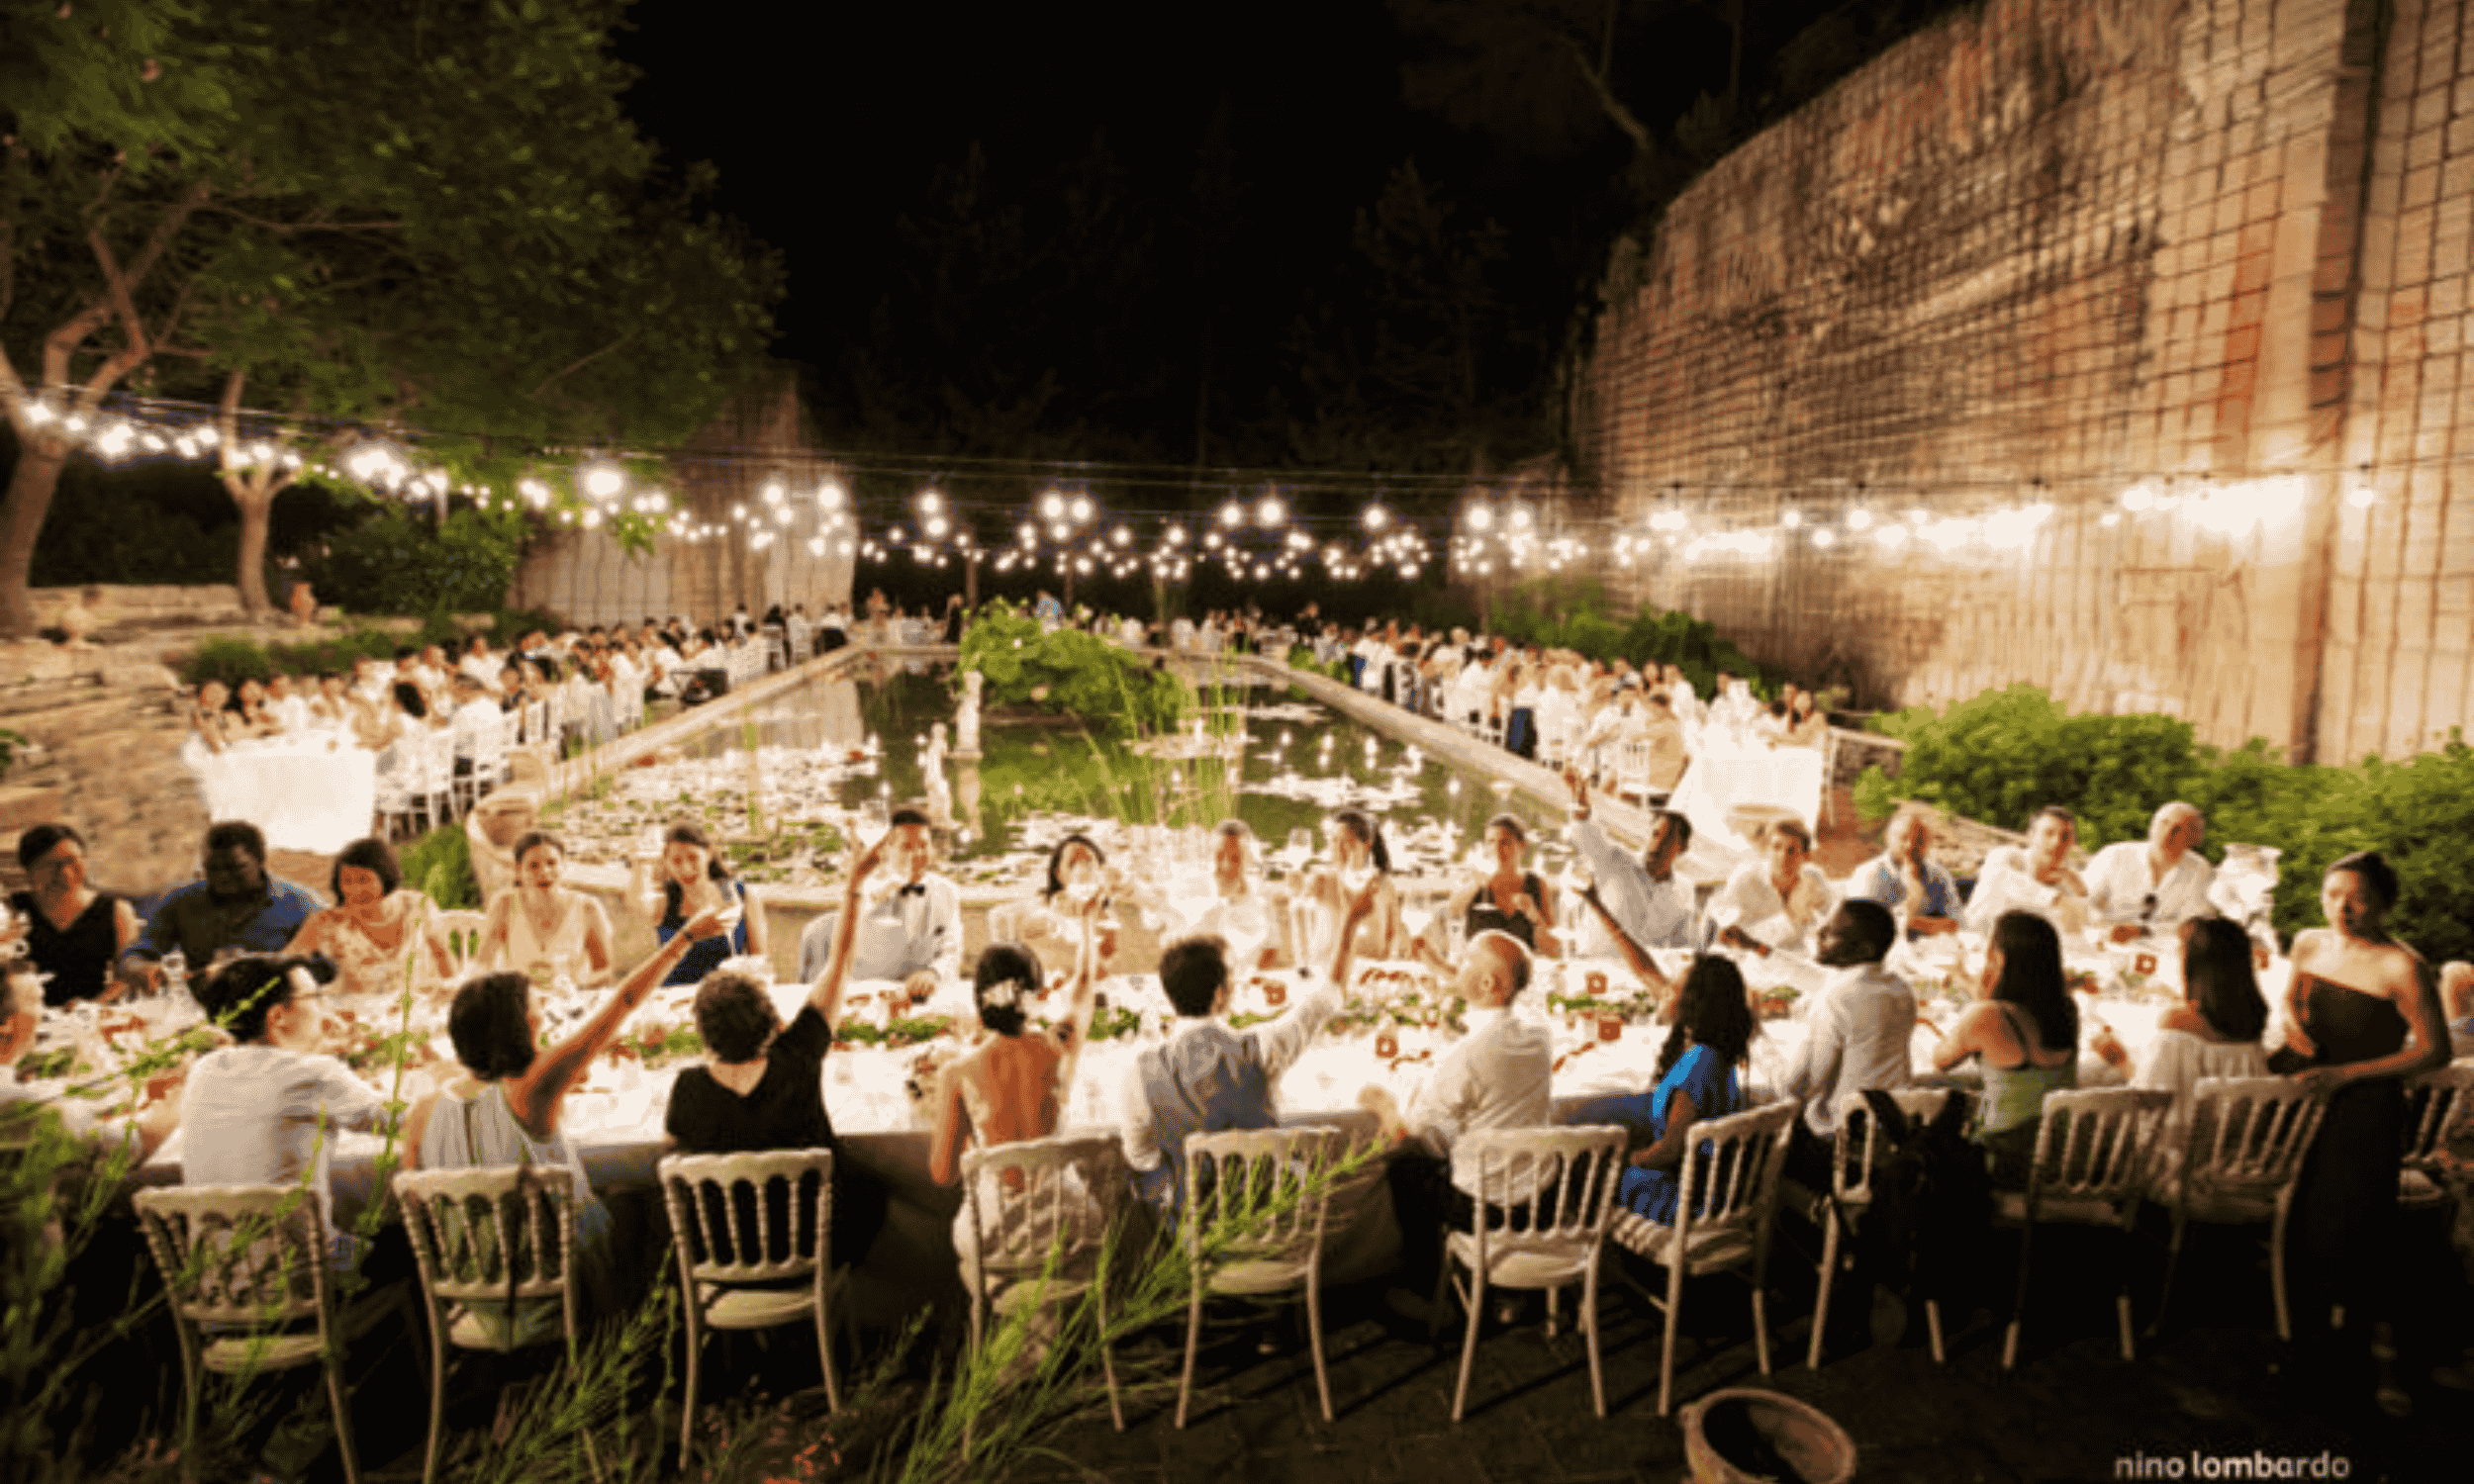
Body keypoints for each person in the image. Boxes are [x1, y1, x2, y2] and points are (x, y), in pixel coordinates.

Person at [406, 904, 728, 1341]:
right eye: (537, 1005)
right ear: (523, 1024)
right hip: (550, 1284)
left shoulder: (422, 1111)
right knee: (650, 1201)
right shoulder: (531, 1091)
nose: (544, 1010)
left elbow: (415, 1204)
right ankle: (643, 1341)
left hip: (473, 1290)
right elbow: (622, 1004)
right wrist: (682, 942)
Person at [667, 838, 896, 1273]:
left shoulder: (688, 1089)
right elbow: (841, 961)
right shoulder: (799, 1058)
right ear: (771, 1020)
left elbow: (671, 1158)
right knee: (871, 1190)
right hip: (815, 1250)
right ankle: (836, 1294)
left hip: (727, 1257)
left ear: (705, 1035)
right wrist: (854, 884)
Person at [2281, 852, 2449, 1358]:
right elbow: (2290, 998)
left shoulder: (2403, 965)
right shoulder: (2308, 941)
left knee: (2348, 1225)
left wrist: (2344, 1076)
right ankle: (2293, 1321)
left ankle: (2367, 1341)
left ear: (2384, 905)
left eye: (2358, 899)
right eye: (2333, 895)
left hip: (2363, 1097)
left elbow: (2433, 1049)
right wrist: (2292, 1025)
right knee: (2285, 1210)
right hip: (2303, 1079)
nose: (2343, 908)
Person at [1120, 879, 1375, 1212]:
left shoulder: (1140, 1073)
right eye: (1231, 977)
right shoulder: (1263, 1049)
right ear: (1220, 995)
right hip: (1275, 1224)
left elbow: (1140, 1157)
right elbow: (1325, 999)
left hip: (1197, 1235)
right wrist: (1350, 926)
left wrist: (1193, 1163)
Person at [1360, 928, 1552, 1311]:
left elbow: (1416, 1134)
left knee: (1406, 1167)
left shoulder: (1467, 1056)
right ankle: (1512, 1289)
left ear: (1487, 983)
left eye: (1465, 959)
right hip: (1539, 1201)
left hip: (1486, 1207)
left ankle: (1428, 1289)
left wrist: (1383, 1103)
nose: (1455, 965)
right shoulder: (1539, 1037)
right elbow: (1488, 1001)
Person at [929, 887, 1107, 1293]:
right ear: (1037, 994)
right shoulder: (1059, 1047)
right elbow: (1083, 987)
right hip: (1069, 1226)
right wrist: (1087, 923)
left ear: (979, 1000)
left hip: (998, 1235)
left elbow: (942, 1175)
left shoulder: (958, 1072)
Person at [182, 954, 393, 1265]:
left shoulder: (202, 1071)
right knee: (409, 1237)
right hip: (302, 1280)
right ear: (278, 1015)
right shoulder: (313, 1072)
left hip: (219, 1283)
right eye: (315, 998)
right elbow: (398, 1120)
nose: (325, 1010)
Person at [2101, 917, 2269, 1184]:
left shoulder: (2177, 1022)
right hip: (2232, 1159)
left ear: (2196, 962)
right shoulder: (2250, 1021)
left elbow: (2150, 1101)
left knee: (2100, 1117)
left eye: (2181, 949)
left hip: (2178, 1167)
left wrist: (2118, 1059)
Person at [1932, 910, 2078, 1186]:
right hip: (2061, 1158)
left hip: (2005, 1163)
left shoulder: (1987, 1016)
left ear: (1998, 959)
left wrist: (1977, 1003)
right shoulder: (2067, 1011)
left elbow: (1940, 1059)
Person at [1609, 956, 1755, 1222]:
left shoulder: (1698, 1063)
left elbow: (1670, 1150)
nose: (1664, 993)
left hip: (1684, 1200)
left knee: (1597, 1173)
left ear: (1693, 1001)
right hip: (1712, 1191)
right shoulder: (1720, 1056)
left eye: (1674, 988)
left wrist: (1629, 1160)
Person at [1779, 900, 1916, 1154]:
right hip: (1892, 1134)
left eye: (1832, 932)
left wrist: (1775, 1068)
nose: (1820, 933)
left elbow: (1803, 1083)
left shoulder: (1837, 997)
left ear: (1864, 949)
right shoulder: (1901, 989)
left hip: (1843, 1142)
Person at [122, 822, 324, 990]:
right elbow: (137, 952)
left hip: (281, 1009)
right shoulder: (182, 901)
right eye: (213, 868)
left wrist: (267, 966)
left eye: (235, 868)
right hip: (202, 1013)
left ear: (261, 861)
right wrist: (140, 967)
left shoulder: (302, 905)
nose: (223, 877)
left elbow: (329, 967)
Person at [796, 808, 961, 996]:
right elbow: (846, 943)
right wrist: (878, 896)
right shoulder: (865, 888)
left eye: (923, 845)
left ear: (932, 848)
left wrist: (933, 973)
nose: (916, 854)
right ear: (887, 849)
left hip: (919, 997)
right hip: (865, 994)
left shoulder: (947, 891)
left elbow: (952, 950)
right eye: (907, 847)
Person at [283, 837, 454, 1000]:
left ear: (384, 875)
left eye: (363, 880)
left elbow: (443, 956)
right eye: (347, 881)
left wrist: (452, 995)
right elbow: (283, 963)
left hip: (419, 1009)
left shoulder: (418, 905)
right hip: (357, 1017)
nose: (355, 890)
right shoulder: (328, 922)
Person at [1563, 767, 1696, 954]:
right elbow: (1588, 837)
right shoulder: (1618, 861)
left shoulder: (1684, 890)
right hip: (1595, 965)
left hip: (1642, 976)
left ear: (1682, 848)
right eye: (1655, 834)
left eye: (1667, 840)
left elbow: (1680, 945)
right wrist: (1582, 805)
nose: (1657, 844)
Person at [10, 824, 140, 1005]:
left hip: (93, 1017)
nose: (64, 872)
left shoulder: (116, 910)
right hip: (24, 1019)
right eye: (50, 865)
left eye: (71, 860)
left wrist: (90, 1007)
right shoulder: (11, 911)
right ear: (29, 872)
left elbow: (130, 976)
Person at [631, 820, 764, 987]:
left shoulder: (738, 895)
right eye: (677, 861)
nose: (686, 869)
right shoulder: (664, 902)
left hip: (723, 1000)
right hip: (671, 1000)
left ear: (708, 853)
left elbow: (758, 959)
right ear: (666, 863)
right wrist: (639, 862)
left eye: (693, 858)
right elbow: (635, 901)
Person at [478, 831, 616, 988]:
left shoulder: (588, 908)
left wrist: (575, 985)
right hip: (520, 1003)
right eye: (533, 866)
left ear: (563, 865)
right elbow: (483, 964)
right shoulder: (505, 904)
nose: (544, 872)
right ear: (518, 871)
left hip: (571, 1003)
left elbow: (605, 973)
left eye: (551, 863)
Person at [2085, 801, 2216, 942]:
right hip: (2105, 945)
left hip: (2167, 951)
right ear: (2152, 825)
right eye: (2164, 823)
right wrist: (2104, 925)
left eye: (2178, 828)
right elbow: (2082, 902)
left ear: (2193, 837)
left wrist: (2143, 930)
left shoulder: (2199, 869)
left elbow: (2197, 924)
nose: (2169, 831)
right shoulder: (2113, 856)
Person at [1291, 809, 1406, 965]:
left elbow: (1391, 938)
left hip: (1370, 973)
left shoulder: (1383, 886)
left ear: (1366, 846)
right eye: (1334, 840)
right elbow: (1299, 922)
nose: (1337, 848)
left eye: (1345, 841)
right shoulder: (1322, 881)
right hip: (1327, 972)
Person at [1711, 817, 1836, 960]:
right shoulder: (1746, 878)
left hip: (1797, 961)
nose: (1783, 856)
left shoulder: (1813, 880)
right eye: (1776, 847)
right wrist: (1791, 915)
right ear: (1767, 850)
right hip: (1748, 961)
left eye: (1792, 850)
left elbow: (1830, 925)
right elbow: (1730, 938)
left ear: (1805, 856)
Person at [1963, 805, 2092, 936]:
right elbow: (2005, 881)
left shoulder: (2070, 880)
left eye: (2065, 836)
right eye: (2049, 833)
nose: (2057, 842)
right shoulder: (2006, 857)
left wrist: (2081, 894)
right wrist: (2056, 899)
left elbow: (2082, 929)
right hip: (1972, 943)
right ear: (2031, 835)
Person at [1011, 833, 1123, 977]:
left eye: (1089, 863)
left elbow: (1103, 966)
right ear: (1058, 874)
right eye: (1072, 864)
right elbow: (1027, 932)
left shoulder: (1105, 917)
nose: (1082, 871)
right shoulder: (1042, 908)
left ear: (1100, 872)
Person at [1445, 814, 1559, 956]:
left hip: (1521, 972)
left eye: (1505, 842)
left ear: (1521, 846)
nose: (1497, 849)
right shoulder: (1474, 881)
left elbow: (1553, 948)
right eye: (1491, 842)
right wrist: (1477, 884)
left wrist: (1533, 915)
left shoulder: (1535, 884)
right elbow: (1452, 911)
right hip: (1480, 970)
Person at [1182, 820, 1285, 974]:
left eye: (1234, 857)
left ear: (1249, 860)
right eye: (1220, 855)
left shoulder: (1262, 897)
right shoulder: (1196, 892)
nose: (1225, 865)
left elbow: (1271, 950)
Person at [1845, 804, 1962, 938]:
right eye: (1903, 838)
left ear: (1929, 843)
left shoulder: (1938, 875)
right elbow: (1866, 930)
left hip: (1931, 953)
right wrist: (1923, 921)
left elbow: (1956, 924)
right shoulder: (1868, 875)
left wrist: (1909, 921)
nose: (1910, 845)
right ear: (1888, 837)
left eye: (1919, 840)